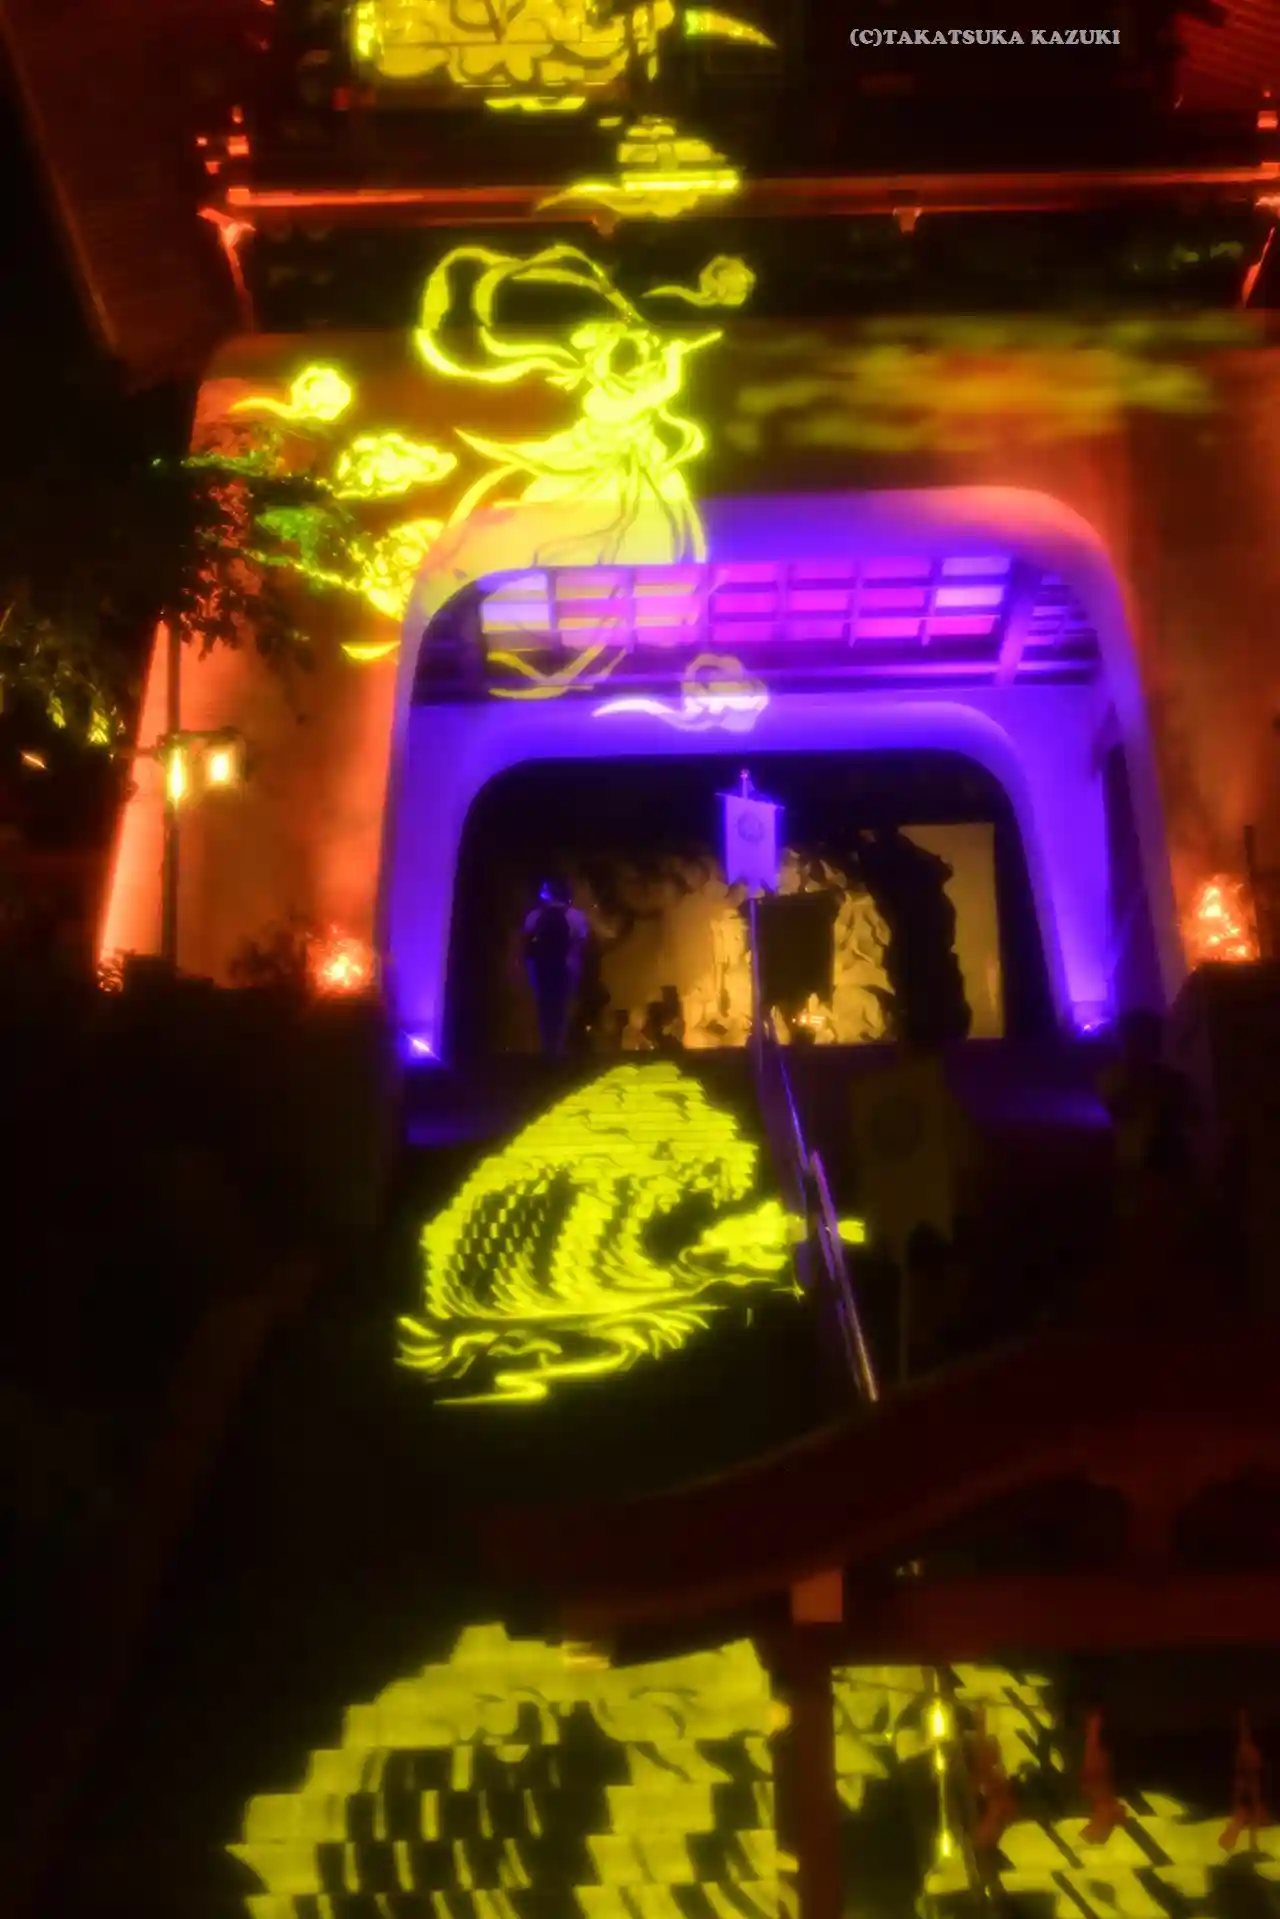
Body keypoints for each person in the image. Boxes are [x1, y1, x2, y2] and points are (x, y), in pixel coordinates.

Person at [522, 881, 589, 1059]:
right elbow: (582, 945)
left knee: (544, 1009)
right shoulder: (576, 917)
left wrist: (529, 966)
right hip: (567, 969)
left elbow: (526, 946)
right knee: (562, 1010)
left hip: (541, 969)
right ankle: (559, 1051)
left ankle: (546, 1050)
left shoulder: (534, 916)